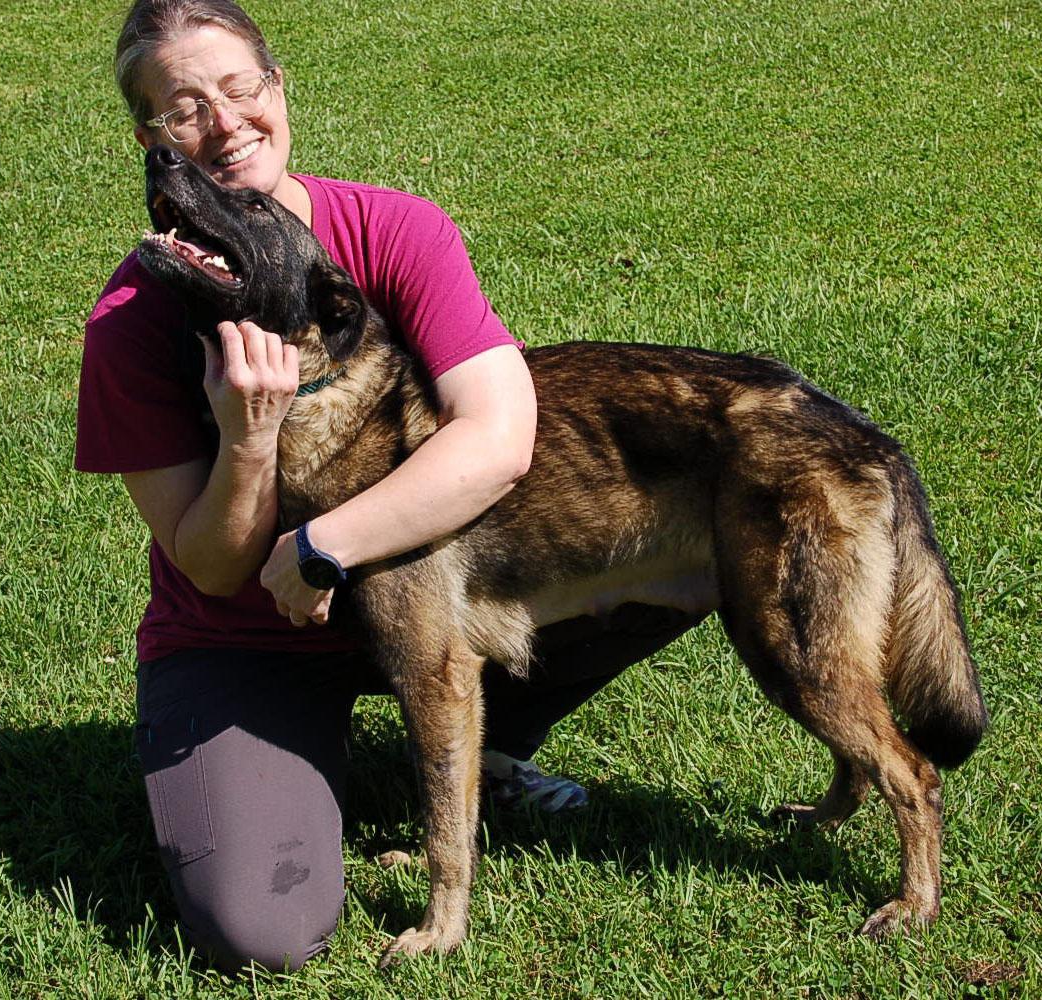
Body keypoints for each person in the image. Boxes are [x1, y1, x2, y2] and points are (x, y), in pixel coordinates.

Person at [76, 0, 694, 974]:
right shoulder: (130, 324)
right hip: (245, 639)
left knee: (670, 539)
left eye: (240, 90)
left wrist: (327, 544)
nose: (224, 123)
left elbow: (499, 436)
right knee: (260, 931)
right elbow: (207, 560)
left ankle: (491, 735)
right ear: (152, 139)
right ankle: (290, 750)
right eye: (183, 109)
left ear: (278, 90)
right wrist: (247, 442)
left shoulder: (391, 228)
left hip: (411, 590)